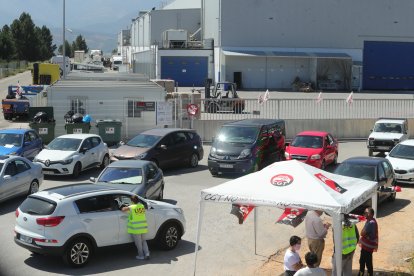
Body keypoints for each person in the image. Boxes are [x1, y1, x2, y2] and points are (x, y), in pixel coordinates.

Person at [122, 195, 150, 260]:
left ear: (132, 201)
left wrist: (124, 206)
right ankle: (147, 253)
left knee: (138, 243)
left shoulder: (131, 207)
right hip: (143, 227)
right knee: (143, 241)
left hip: (136, 229)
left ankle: (141, 256)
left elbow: (123, 209)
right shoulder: (142, 206)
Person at [359, 207, 378, 276]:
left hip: (367, 247)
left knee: (367, 264)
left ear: (371, 214)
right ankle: (361, 274)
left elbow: (362, 233)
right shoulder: (370, 221)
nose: (364, 214)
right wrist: (364, 234)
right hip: (366, 246)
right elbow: (363, 233)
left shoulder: (371, 223)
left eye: (366, 213)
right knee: (362, 262)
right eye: (364, 212)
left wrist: (364, 234)